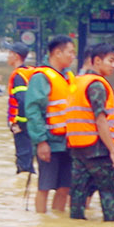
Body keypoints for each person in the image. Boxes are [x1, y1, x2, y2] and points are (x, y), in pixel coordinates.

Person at [66, 43, 114, 222]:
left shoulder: (77, 82)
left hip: (77, 148)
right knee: (108, 195)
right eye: (110, 61)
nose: (113, 65)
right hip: (98, 150)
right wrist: (113, 152)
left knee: (77, 197)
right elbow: (101, 121)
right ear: (97, 61)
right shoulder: (97, 85)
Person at [22, 35, 76, 213]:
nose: (72, 56)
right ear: (57, 53)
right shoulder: (41, 77)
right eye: (70, 52)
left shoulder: (68, 77)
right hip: (50, 141)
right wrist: (41, 141)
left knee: (64, 188)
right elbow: (33, 111)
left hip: (68, 142)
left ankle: (57, 225)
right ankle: (41, 223)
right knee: (44, 186)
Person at [3, 42, 37, 176]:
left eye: (9, 54)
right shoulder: (29, 72)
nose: (7, 57)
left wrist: (20, 124)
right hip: (31, 123)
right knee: (28, 157)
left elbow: (22, 101)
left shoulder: (18, 76)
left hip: (22, 126)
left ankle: (24, 189)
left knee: (23, 160)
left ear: (15, 56)